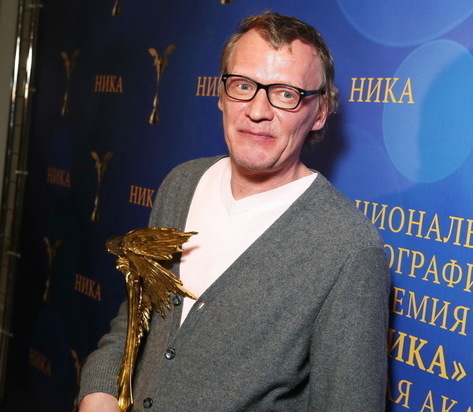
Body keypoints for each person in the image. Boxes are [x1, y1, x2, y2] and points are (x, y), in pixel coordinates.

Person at [78, 11, 390, 411]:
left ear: (320, 112)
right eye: (243, 85)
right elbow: (137, 316)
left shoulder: (348, 248)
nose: (257, 111)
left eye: (286, 93)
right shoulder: (182, 183)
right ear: (221, 94)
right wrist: (99, 390)